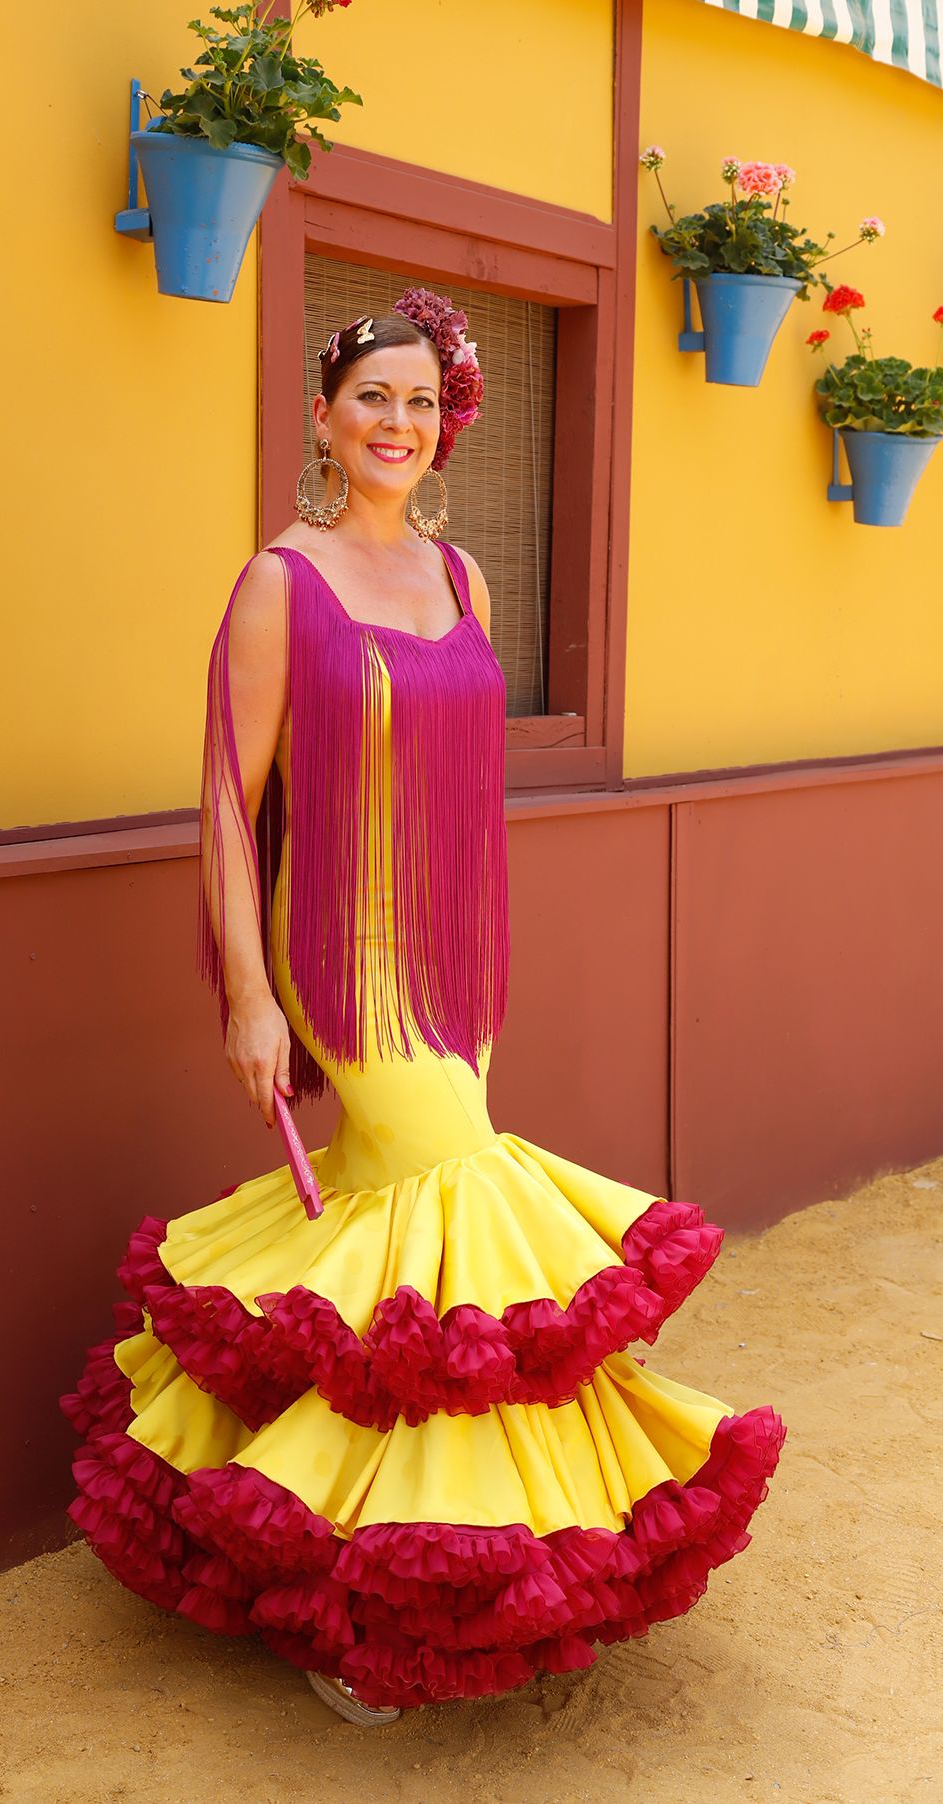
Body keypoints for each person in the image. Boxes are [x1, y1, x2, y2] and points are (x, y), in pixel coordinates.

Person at [60, 288, 787, 1726]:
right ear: (325, 420)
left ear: (445, 424)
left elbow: (467, 777)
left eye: (418, 402)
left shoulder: (464, 582)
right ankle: (373, 1599)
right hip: (338, 943)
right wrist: (252, 998)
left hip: (455, 947)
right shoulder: (282, 580)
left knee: (399, 1237)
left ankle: (304, 1514)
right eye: (368, 399)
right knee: (462, 1194)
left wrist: (475, 957)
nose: (396, 424)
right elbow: (227, 793)